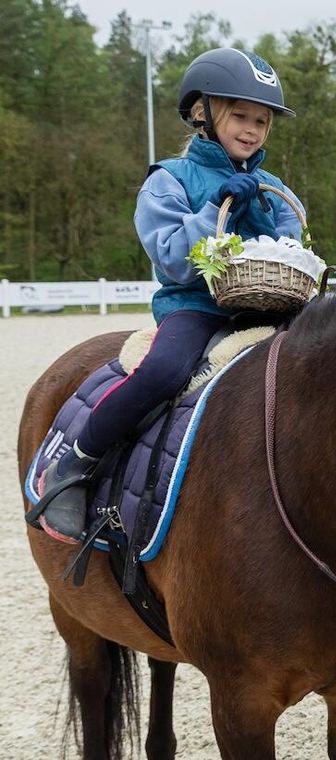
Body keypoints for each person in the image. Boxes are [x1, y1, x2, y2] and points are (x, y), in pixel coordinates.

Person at [35, 48, 304, 544]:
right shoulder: (167, 181)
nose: (252, 129)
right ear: (203, 111)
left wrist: (261, 210)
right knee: (164, 370)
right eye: (240, 116)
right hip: (196, 307)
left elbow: (290, 245)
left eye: (262, 122)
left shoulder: (274, 187)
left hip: (271, 302)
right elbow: (174, 259)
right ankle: (75, 465)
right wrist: (216, 203)